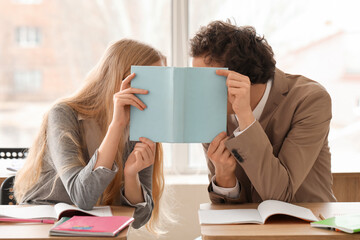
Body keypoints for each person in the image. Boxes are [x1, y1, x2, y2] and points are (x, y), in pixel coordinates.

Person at [14, 39, 166, 231]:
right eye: (153, 82)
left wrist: (131, 175)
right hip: (45, 223)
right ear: (121, 80)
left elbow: (140, 218)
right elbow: (82, 197)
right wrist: (117, 125)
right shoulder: (62, 114)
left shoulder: (142, 126)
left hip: (94, 227)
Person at [190, 20, 336, 203]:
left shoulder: (310, 100)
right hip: (245, 230)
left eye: (205, 83)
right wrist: (225, 178)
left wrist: (245, 117)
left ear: (242, 79)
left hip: (308, 226)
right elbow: (224, 212)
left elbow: (280, 195)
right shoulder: (212, 114)